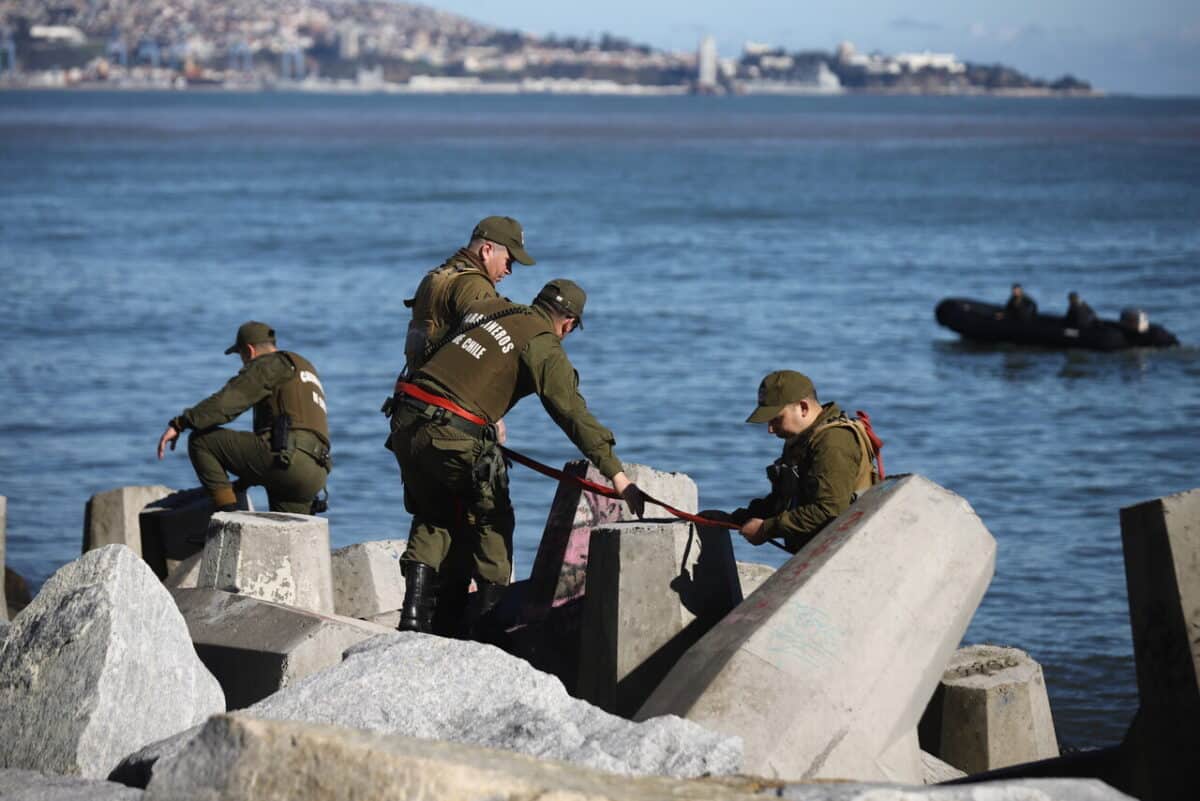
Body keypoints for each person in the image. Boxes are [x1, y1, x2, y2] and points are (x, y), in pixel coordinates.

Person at [386, 279, 645, 636]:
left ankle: (414, 618)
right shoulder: (542, 343)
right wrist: (618, 476)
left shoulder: (490, 308)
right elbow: (571, 413)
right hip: (452, 433)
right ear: (568, 323)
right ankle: (489, 627)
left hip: (406, 416)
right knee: (492, 518)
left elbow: (432, 342)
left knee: (435, 512)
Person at [157, 321, 332, 515]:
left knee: (201, 441)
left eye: (241, 357)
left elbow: (227, 404)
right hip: (316, 472)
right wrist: (242, 482)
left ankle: (230, 519)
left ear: (249, 351)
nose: (243, 363)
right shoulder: (303, 368)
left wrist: (181, 423)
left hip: (289, 460)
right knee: (287, 526)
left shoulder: (271, 364)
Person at [715, 371, 879, 554]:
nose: (770, 429)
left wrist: (766, 529)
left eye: (776, 419)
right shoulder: (801, 438)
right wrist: (737, 519)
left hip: (848, 553)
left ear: (803, 407)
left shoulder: (833, 443)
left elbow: (829, 511)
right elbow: (784, 499)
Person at [403, 215, 535, 374]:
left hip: (416, 379)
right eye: (508, 261)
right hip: (446, 382)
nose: (509, 270)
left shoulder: (436, 276)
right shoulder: (474, 285)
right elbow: (491, 343)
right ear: (487, 251)